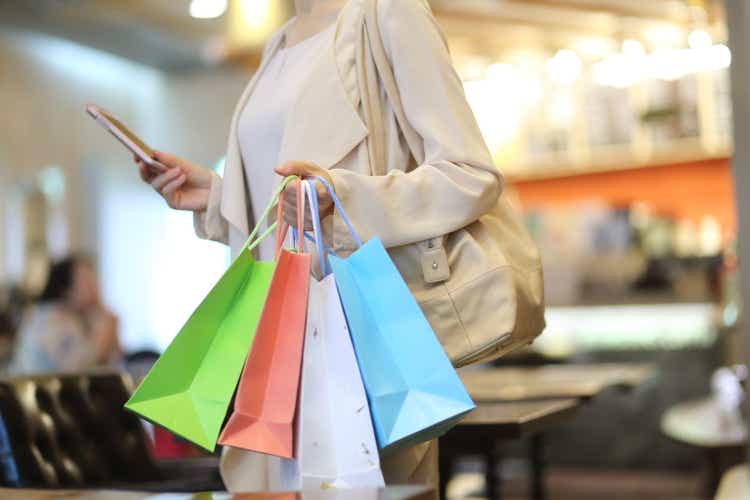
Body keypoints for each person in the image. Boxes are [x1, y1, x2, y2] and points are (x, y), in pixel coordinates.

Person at [136, 0, 541, 494]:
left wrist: (346, 199)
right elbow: (287, 208)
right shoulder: (280, 41)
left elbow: (470, 175)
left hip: (355, 346)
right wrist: (219, 197)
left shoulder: (388, 12)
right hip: (269, 357)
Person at [10, 256, 121, 374]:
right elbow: (76, 370)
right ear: (66, 289)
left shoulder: (79, 317)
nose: (95, 289)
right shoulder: (51, 319)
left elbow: (115, 360)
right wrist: (103, 336)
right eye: (87, 282)